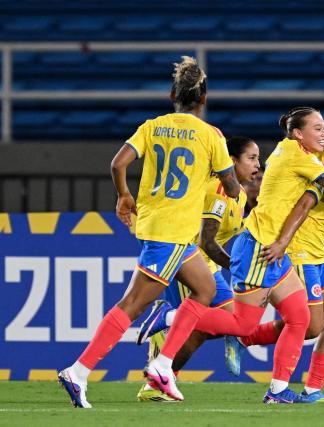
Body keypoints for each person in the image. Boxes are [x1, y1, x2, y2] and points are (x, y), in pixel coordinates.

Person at [137, 106, 324, 404]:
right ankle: (170, 315)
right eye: (318, 128)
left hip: (274, 250)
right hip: (259, 247)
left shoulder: (295, 152)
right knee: (243, 325)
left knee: (299, 317)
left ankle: (278, 391)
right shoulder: (296, 155)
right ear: (298, 134)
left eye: (323, 128)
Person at [57, 56, 241, 408]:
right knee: (132, 304)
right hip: (171, 232)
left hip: (163, 229)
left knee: (203, 288)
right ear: (203, 99)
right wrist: (222, 177)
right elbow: (232, 187)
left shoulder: (152, 126)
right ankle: (79, 371)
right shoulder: (210, 135)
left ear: (173, 95)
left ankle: (163, 364)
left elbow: (118, 163)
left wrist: (124, 194)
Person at [224, 118, 324, 404]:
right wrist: (283, 243)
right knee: (309, 326)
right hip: (299, 251)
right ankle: (245, 337)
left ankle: (313, 390)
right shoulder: (318, 167)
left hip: (320, 254)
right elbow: (305, 205)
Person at [135, 135, 260, 402]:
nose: (258, 165)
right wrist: (239, 268)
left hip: (207, 263)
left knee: (203, 330)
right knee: (235, 321)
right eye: (251, 158)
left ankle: (158, 381)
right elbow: (207, 240)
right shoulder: (218, 190)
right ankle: (167, 319)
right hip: (189, 261)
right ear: (232, 161)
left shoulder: (241, 195)